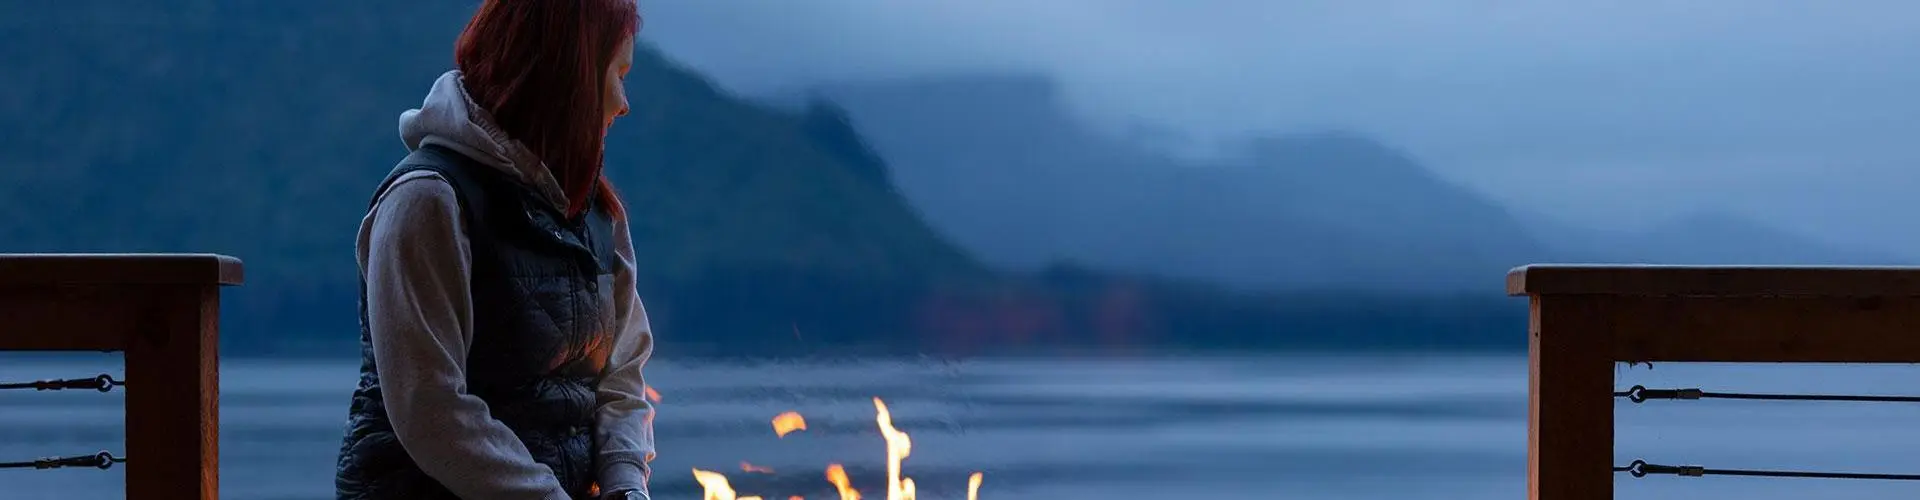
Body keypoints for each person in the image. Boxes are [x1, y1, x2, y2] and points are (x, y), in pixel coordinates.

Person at [334, 1, 654, 499]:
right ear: (565, 78)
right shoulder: (427, 200)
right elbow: (431, 407)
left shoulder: (598, 217)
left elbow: (623, 374)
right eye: (617, 73)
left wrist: (625, 483)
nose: (623, 101)